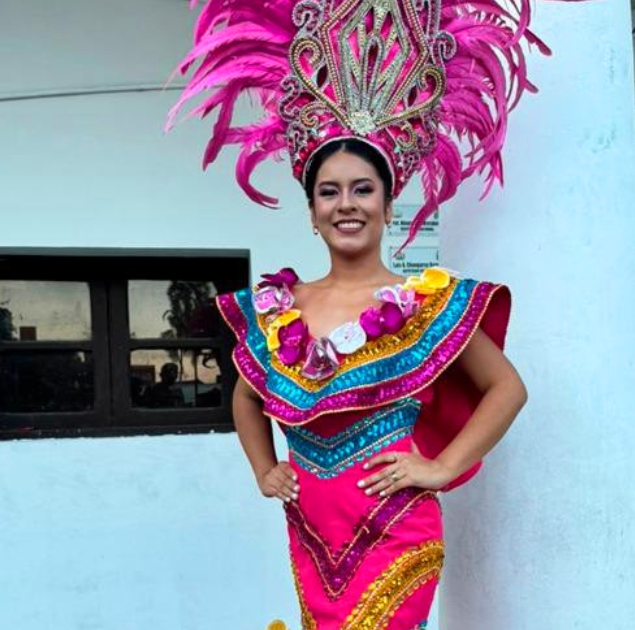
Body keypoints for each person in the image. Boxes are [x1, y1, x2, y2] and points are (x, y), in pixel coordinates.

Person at [166, 0, 582, 626]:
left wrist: (440, 467)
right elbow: (247, 397)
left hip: (398, 529)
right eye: (328, 192)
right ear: (310, 213)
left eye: (363, 190)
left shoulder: (427, 305)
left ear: (388, 206)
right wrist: (264, 469)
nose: (346, 205)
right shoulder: (277, 310)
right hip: (309, 528)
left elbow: (507, 389)